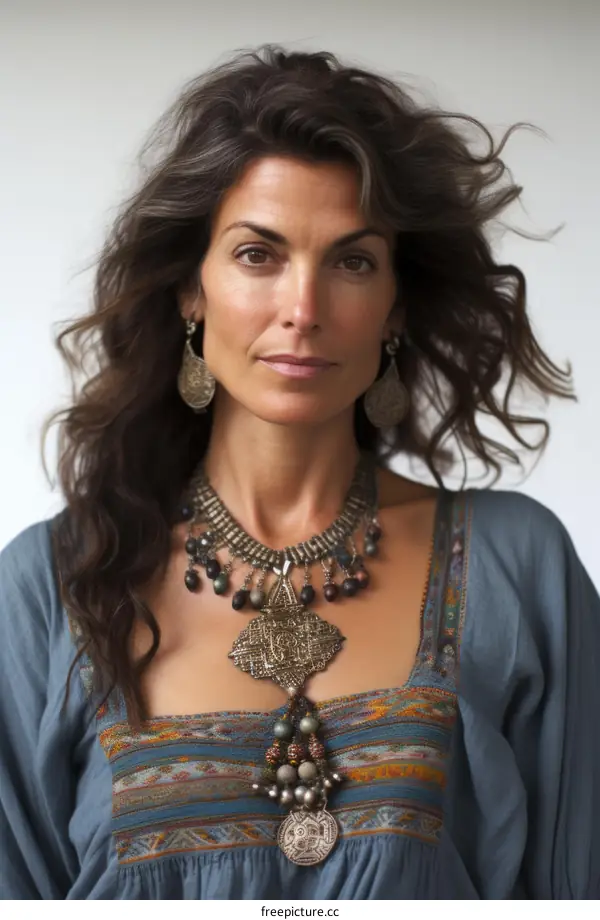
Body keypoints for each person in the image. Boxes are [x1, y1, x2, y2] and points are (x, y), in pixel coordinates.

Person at [0, 45, 598, 901]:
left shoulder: (517, 567)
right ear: (189, 292)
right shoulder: (46, 589)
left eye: (352, 261)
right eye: (258, 255)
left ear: (394, 304)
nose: (304, 310)